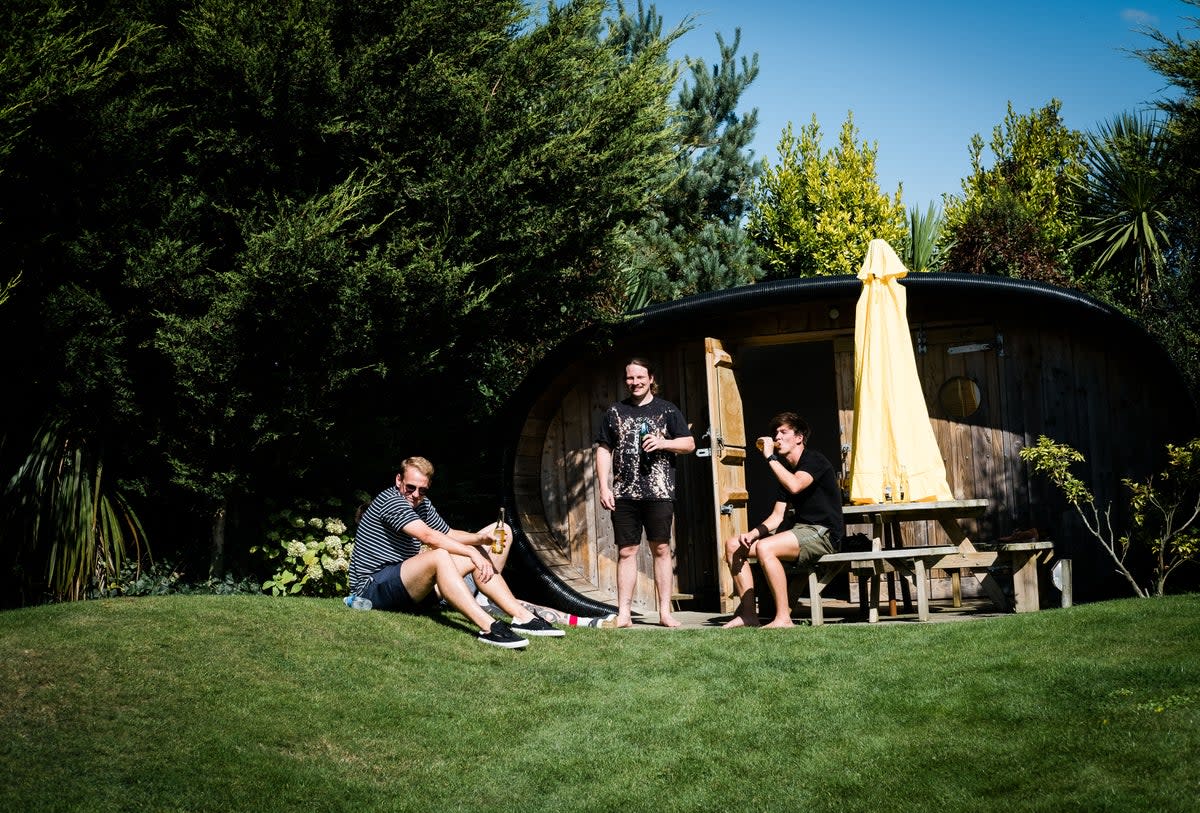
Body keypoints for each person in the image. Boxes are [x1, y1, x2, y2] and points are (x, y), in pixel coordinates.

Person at [348, 456, 564, 649]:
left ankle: (522, 617)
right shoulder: (391, 501)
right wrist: (472, 553)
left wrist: (480, 540)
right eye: (410, 487)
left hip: (405, 587)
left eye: (422, 490)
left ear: (428, 487)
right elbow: (429, 537)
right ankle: (489, 627)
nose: (415, 495)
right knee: (440, 555)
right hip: (370, 589)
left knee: (500, 532)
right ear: (398, 481)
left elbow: (448, 533)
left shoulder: (422, 504)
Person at [595, 357, 696, 627]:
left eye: (640, 377)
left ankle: (664, 613)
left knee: (661, 548)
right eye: (630, 378)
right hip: (624, 493)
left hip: (659, 491)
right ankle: (624, 614)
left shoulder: (667, 410)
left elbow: (689, 444)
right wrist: (604, 487)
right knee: (626, 551)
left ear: (651, 378)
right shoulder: (615, 412)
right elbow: (603, 449)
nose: (635, 382)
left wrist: (663, 443)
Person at [722, 412, 845, 628]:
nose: (777, 437)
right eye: (775, 433)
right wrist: (752, 534)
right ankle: (749, 614)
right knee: (733, 545)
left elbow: (796, 485)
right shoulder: (786, 471)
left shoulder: (814, 460)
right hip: (800, 532)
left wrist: (770, 457)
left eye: (783, 432)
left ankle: (783, 618)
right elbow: (777, 517)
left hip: (823, 533)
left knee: (766, 548)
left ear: (799, 437)